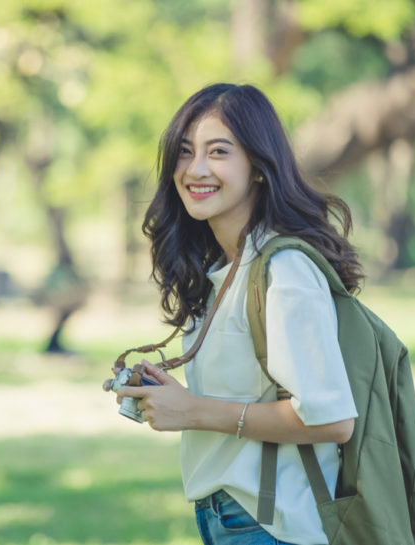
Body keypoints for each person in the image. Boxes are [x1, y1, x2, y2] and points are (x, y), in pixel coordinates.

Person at [111, 83, 363, 545]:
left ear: (259, 168)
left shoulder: (284, 271)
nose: (195, 169)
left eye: (219, 152)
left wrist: (194, 410)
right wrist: (176, 399)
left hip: (275, 526)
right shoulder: (225, 269)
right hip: (231, 516)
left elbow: (332, 420)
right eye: (185, 152)